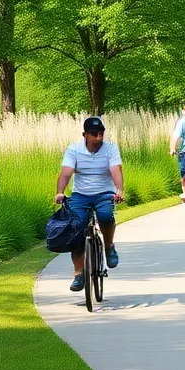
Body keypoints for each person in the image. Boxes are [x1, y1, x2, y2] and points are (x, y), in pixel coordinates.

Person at [55, 116, 125, 292]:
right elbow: (66, 173)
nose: (98, 138)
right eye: (94, 134)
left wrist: (119, 190)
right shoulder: (74, 149)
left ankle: (108, 246)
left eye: (101, 134)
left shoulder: (110, 149)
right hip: (80, 194)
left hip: (104, 193)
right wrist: (60, 192)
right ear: (85, 134)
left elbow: (116, 170)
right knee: (77, 230)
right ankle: (79, 274)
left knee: (106, 217)